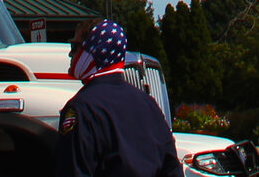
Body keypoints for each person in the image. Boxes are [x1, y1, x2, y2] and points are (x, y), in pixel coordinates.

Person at [53, 19, 179, 177]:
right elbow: (172, 168)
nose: (70, 54)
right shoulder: (149, 105)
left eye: (75, 47)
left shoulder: (81, 109)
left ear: (92, 50)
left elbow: (73, 170)